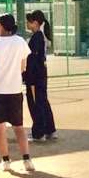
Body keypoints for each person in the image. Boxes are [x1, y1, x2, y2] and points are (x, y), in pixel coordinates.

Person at [0, 13, 35, 172]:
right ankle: (27, 159)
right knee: (18, 126)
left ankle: (5, 160)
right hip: (14, 89)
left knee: (0, 127)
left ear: (0, 25)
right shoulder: (20, 42)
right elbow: (23, 66)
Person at [25, 10, 57, 142]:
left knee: (36, 103)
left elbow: (33, 59)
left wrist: (29, 78)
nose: (27, 24)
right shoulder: (40, 36)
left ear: (35, 23)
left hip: (35, 75)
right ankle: (50, 130)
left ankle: (39, 133)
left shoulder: (37, 37)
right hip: (41, 74)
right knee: (43, 102)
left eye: (29, 22)